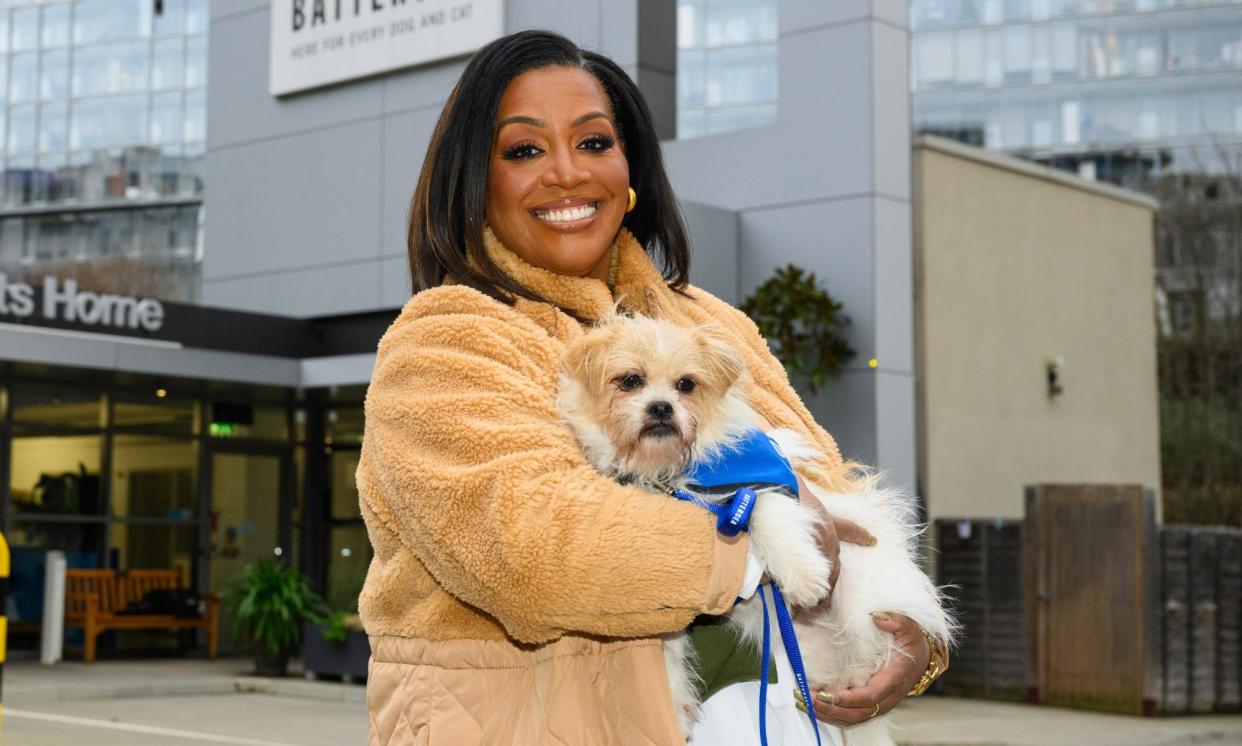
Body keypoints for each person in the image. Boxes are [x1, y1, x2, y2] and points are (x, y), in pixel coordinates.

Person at [357, 29, 946, 746]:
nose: (568, 173)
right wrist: (756, 544)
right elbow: (530, 550)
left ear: (631, 167)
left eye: (595, 142)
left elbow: (833, 488)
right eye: (524, 150)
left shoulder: (710, 322)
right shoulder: (447, 336)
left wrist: (905, 636)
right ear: (475, 181)